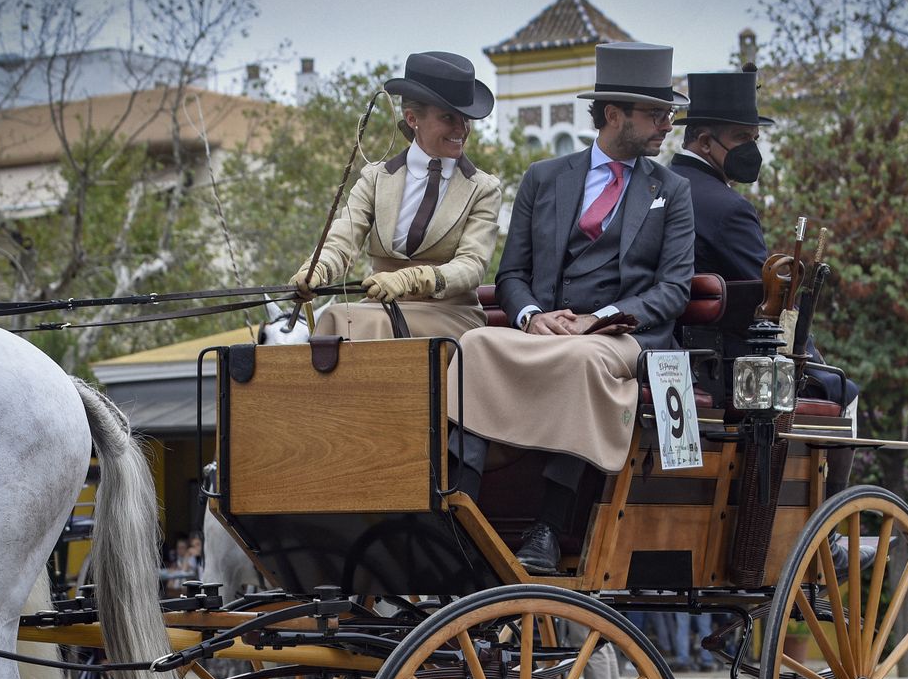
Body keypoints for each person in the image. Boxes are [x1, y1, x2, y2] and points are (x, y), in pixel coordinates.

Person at [449, 41, 695, 574]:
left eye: (669, 115)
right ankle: (459, 508)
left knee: (582, 359)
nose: (666, 126)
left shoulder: (671, 191)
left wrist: (598, 320)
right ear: (614, 115)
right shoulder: (543, 177)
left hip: (624, 337)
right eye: (656, 114)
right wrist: (532, 317)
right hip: (544, 329)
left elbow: (674, 289)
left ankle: (548, 525)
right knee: (474, 344)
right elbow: (510, 274)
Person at [666, 67, 853, 407]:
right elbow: (770, 304)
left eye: (755, 139)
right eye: (741, 138)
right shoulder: (730, 208)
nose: (752, 150)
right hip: (728, 362)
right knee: (843, 390)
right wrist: (809, 354)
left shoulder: (658, 185)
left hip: (670, 345)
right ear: (705, 142)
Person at [292, 51, 501, 340]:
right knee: (338, 318)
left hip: (450, 315)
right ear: (412, 118)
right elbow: (342, 241)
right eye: (448, 117)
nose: (461, 129)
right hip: (380, 309)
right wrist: (317, 270)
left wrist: (415, 279)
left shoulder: (483, 189)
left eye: (466, 119)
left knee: (359, 323)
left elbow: (471, 265)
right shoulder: (375, 178)